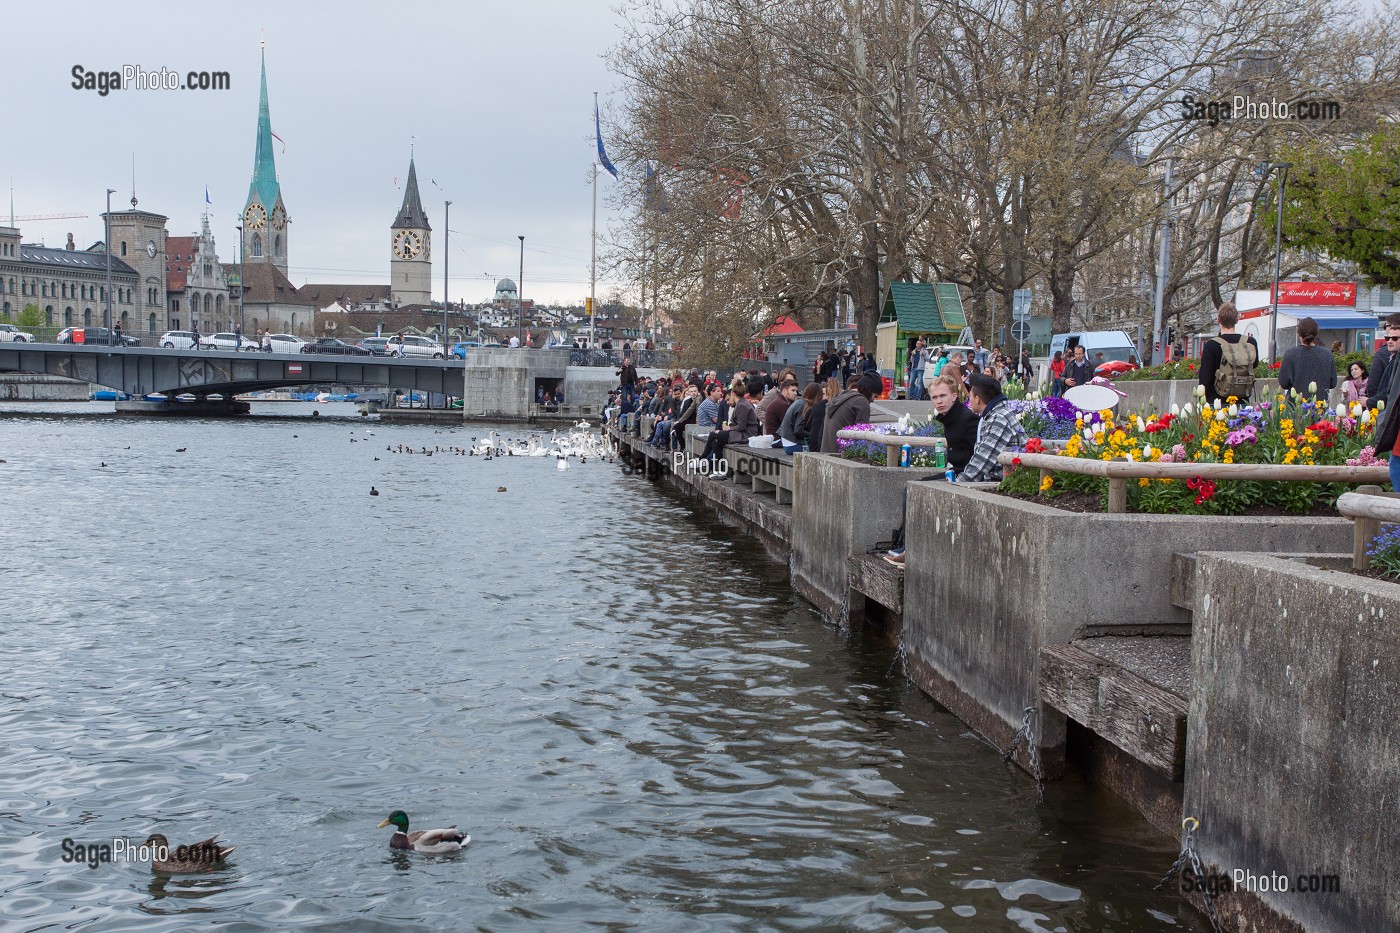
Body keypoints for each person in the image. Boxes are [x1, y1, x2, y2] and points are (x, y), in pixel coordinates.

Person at [884, 373, 981, 566]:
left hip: (965, 476)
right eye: (934, 397)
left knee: (911, 488)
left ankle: (908, 546)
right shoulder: (950, 417)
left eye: (943, 396)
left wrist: (961, 476)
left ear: (954, 395)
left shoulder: (967, 418)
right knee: (911, 487)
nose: (938, 401)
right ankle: (906, 544)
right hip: (954, 472)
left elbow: (977, 454)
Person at [960, 374, 1029, 483]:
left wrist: (957, 483)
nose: (969, 400)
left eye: (971, 397)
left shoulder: (999, 418)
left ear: (977, 399)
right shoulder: (995, 414)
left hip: (1009, 482)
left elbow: (983, 460)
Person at [1197, 301, 1259, 404]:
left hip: (1217, 402)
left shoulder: (1211, 345)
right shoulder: (1250, 342)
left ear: (1218, 320)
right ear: (1237, 319)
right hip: (1242, 402)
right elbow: (1254, 364)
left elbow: (1205, 379)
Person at [819, 371, 882, 453]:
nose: (873, 400)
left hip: (826, 452)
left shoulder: (841, 396)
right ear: (869, 391)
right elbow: (862, 436)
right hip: (841, 455)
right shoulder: (862, 402)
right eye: (875, 396)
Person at [701, 378, 763, 461]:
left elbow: (741, 426)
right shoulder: (742, 403)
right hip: (741, 433)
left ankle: (702, 458)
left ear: (732, 393)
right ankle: (719, 468)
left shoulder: (742, 405)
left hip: (745, 434)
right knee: (716, 442)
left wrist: (728, 428)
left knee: (713, 434)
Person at [1278, 316, 1337, 400]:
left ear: (1298, 334)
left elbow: (1283, 383)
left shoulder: (1290, 354)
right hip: (1319, 406)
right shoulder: (1327, 354)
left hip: (1295, 407)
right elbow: (1332, 383)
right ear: (1316, 332)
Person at [779, 382, 822, 454]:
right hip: (792, 444)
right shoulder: (804, 405)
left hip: (788, 441)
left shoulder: (799, 402)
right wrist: (814, 436)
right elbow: (798, 430)